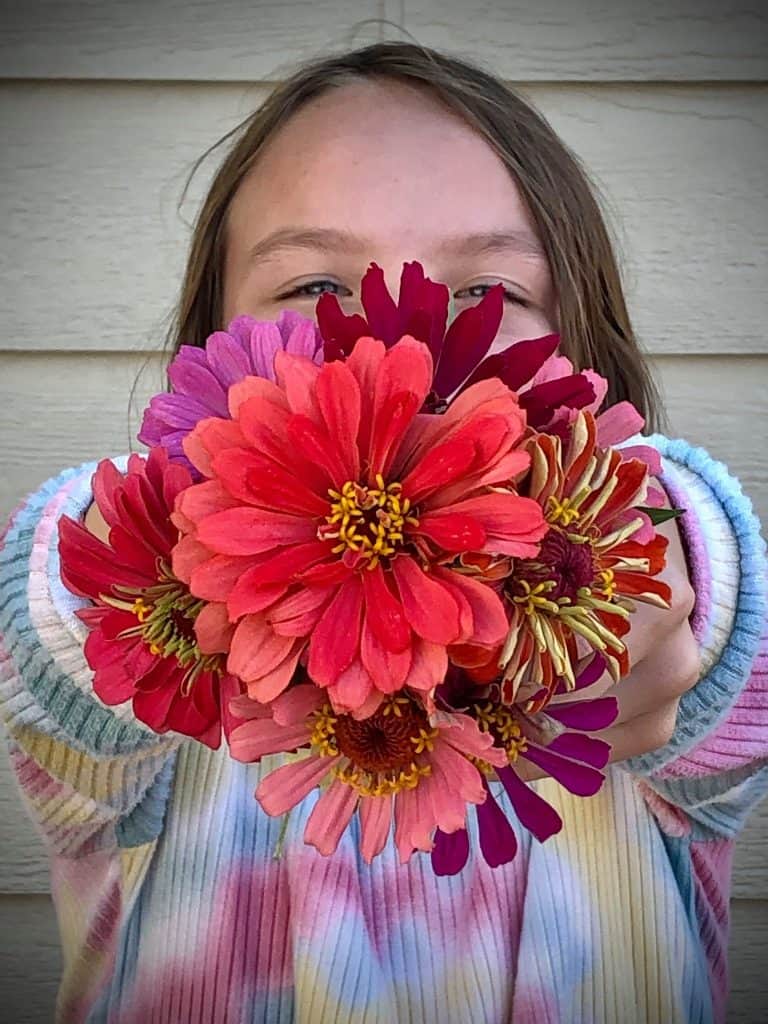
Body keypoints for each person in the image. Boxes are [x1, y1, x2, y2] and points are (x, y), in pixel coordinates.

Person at [0, 40, 766, 1024]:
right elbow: (56, 627)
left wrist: (671, 544)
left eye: (487, 296)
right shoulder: (157, 679)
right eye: (314, 290)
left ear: (585, 359)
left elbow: (729, 643)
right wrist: (174, 534)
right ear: (213, 348)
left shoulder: (634, 622)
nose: (391, 343)